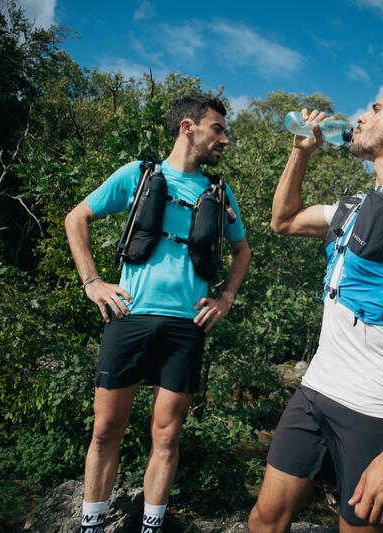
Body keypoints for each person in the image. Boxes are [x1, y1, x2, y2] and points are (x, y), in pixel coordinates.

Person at [248, 87, 383, 532]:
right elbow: (283, 221)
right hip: (313, 392)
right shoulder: (352, 208)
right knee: (263, 522)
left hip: (373, 406)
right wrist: (301, 153)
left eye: (375, 108)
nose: (361, 117)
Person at [65, 94, 251, 533]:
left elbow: (242, 251)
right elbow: (77, 219)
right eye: (217, 130)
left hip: (186, 326)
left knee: (167, 435)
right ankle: (92, 525)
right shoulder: (140, 174)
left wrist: (225, 298)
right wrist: (92, 282)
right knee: (106, 429)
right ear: (188, 127)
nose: (225, 138)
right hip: (128, 316)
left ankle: (152, 526)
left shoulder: (219, 192)